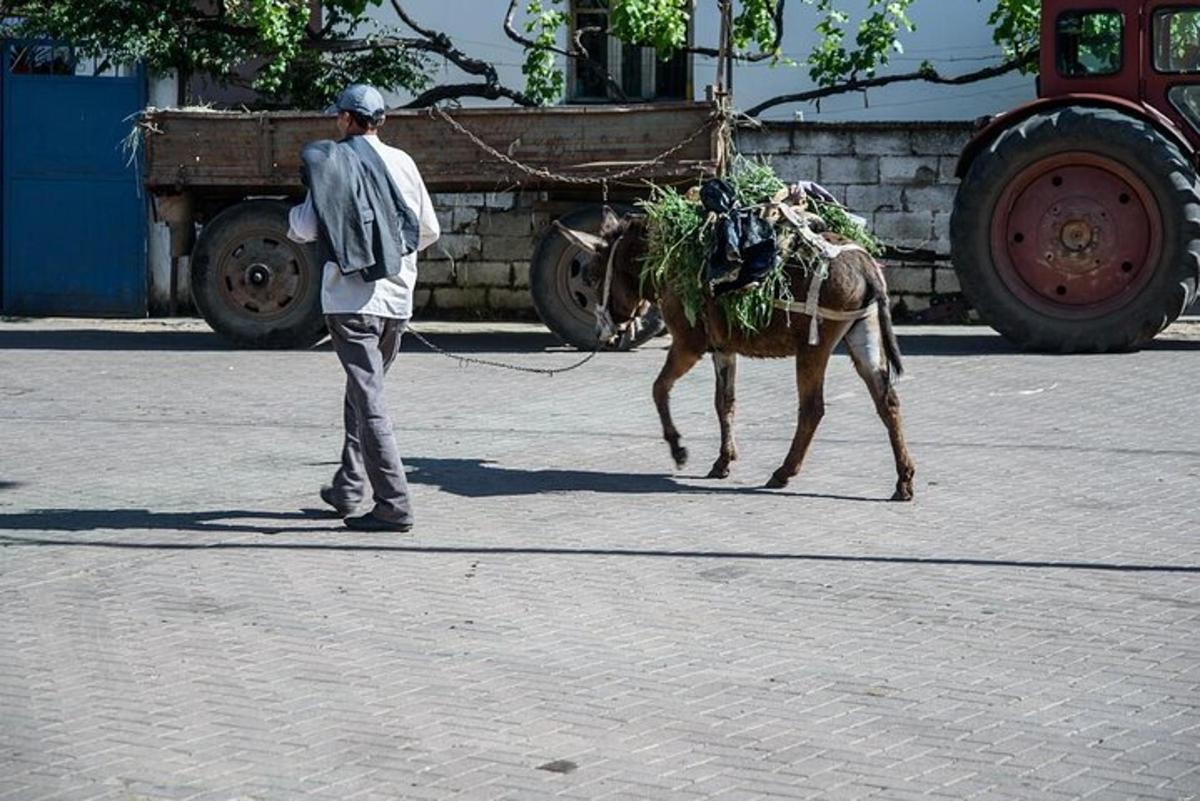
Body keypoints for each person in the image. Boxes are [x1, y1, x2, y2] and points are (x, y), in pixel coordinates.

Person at [287, 84, 440, 532]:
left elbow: (305, 227)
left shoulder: (334, 162)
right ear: (381, 121)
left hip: (350, 304)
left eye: (338, 116)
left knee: (369, 400)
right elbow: (427, 230)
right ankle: (349, 486)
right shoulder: (404, 163)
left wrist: (288, 217)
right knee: (362, 392)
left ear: (345, 119)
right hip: (396, 303)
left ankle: (394, 504)